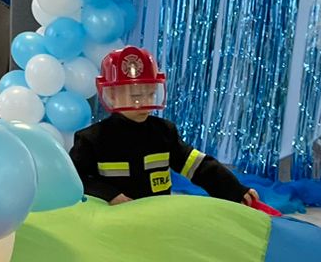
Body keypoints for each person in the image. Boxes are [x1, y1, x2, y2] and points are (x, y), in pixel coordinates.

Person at [68, 45, 259, 206]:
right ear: (111, 95)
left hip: (158, 220)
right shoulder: (91, 139)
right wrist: (109, 195)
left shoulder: (164, 132)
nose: (145, 102)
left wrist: (235, 191)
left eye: (151, 94)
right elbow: (76, 179)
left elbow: (200, 167)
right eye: (136, 96)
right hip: (112, 222)